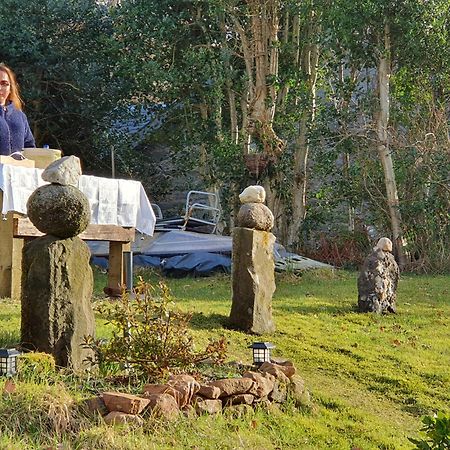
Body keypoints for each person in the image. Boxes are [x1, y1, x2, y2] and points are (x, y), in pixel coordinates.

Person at [0, 63, 35, 155]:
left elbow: (30, 149)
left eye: (4, 84)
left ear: (10, 88)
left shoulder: (20, 117)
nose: (0, 88)